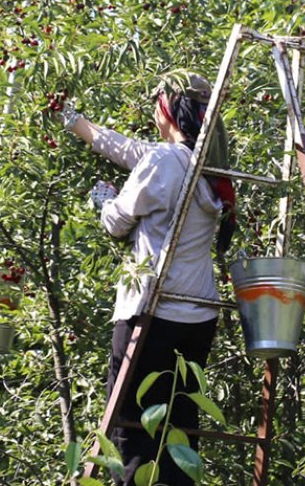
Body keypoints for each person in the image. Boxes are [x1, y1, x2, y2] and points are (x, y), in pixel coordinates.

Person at [58, 71, 236, 486]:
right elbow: (131, 150)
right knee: (180, 429)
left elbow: (118, 223)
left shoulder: (164, 161)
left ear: (166, 108)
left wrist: (103, 199)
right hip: (198, 317)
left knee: (132, 430)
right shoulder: (207, 163)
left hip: (152, 313)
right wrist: (76, 123)